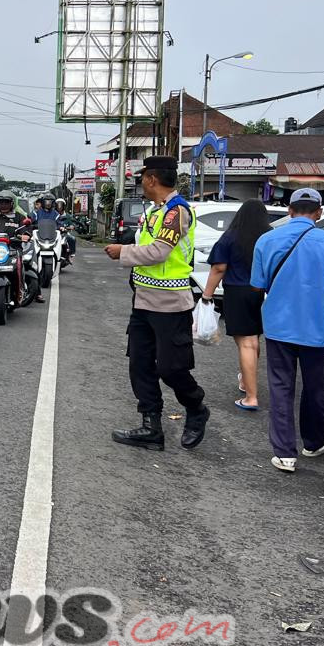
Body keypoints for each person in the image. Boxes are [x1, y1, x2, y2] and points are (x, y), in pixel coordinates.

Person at [103, 156, 208, 451]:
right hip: (144, 301)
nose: (141, 183)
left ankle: (196, 408)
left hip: (171, 304)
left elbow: (160, 251)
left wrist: (123, 252)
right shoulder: (156, 211)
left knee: (171, 368)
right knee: (139, 364)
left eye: (142, 178)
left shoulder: (177, 212)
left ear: (152, 179)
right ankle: (151, 427)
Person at [250, 188, 324, 473]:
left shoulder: (267, 240)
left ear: (290, 210)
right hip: (315, 329)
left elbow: (257, 285)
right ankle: (314, 442)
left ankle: (284, 454)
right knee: (315, 387)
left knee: (281, 388)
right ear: (318, 212)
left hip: (278, 327)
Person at [201, 199, 272, 411]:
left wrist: (207, 295)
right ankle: (245, 381)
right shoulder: (270, 237)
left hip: (237, 292)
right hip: (263, 293)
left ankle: (251, 397)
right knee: (253, 339)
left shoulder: (231, 236)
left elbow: (218, 268)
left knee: (246, 343)